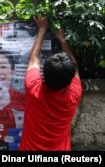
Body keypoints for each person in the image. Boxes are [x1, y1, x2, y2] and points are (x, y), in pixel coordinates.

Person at [19, 16, 82, 151]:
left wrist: (42, 29)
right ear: (70, 80)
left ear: (44, 74)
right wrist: (63, 39)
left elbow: (34, 59)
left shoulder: (34, 88)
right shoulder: (74, 94)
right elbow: (74, 66)